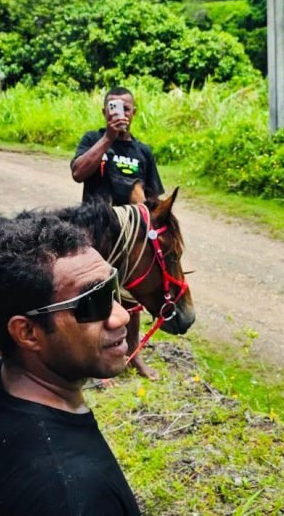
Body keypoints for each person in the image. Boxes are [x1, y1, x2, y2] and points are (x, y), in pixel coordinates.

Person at [0, 216, 140, 516]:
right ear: (27, 333)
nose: (121, 316)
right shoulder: (76, 496)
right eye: (92, 302)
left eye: (113, 288)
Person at [71, 87, 165, 379]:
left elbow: (154, 198)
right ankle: (92, 357)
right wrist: (108, 139)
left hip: (132, 235)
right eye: (114, 108)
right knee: (95, 292)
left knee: (132, 298)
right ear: (104, 112)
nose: (120, 113)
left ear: (134, 112)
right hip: (96, 232)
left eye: (126, 108)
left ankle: (131, 354)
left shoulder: (143, 152)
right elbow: (77, 173)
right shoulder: (93, 139)